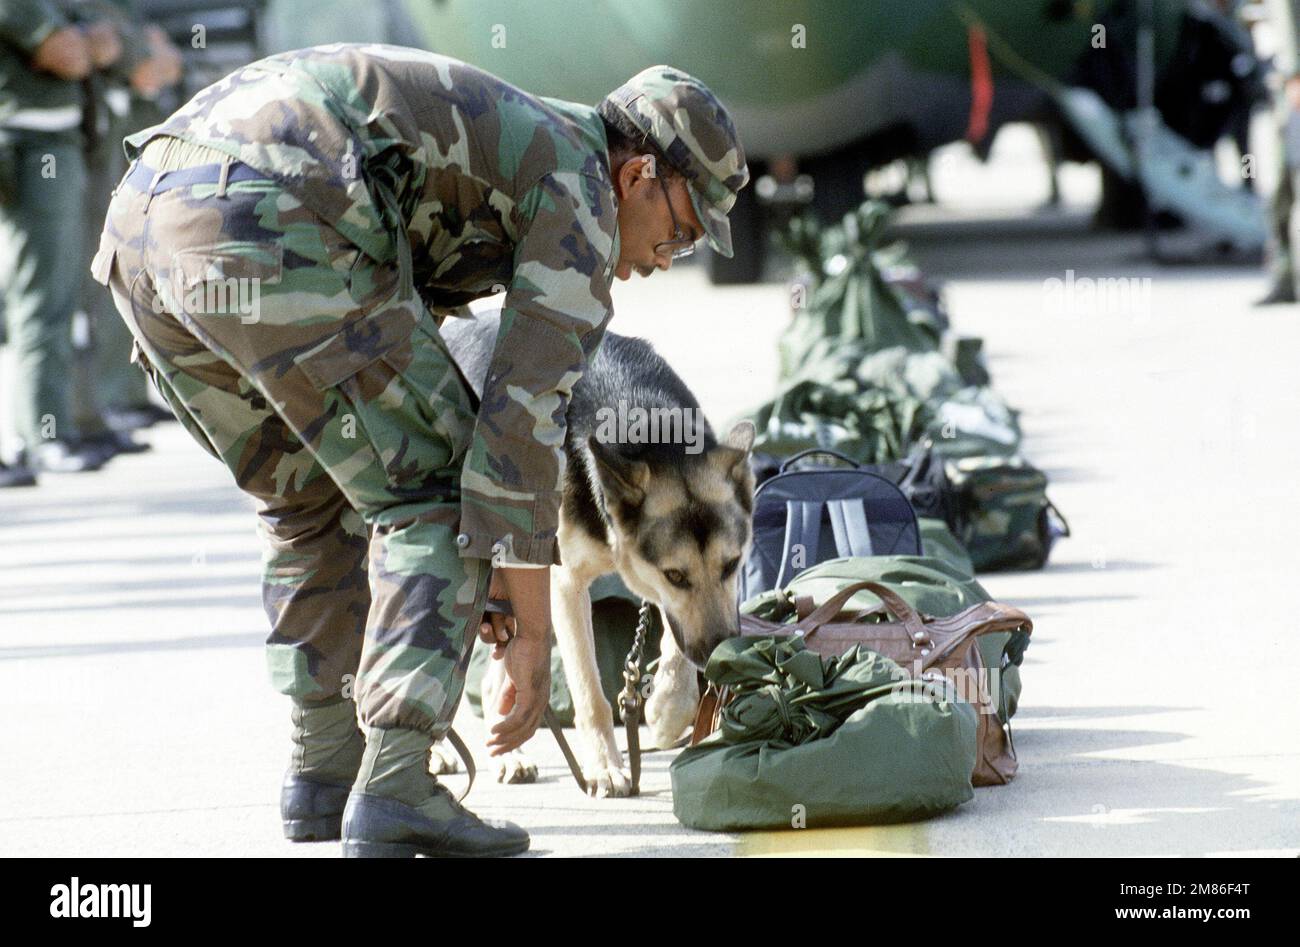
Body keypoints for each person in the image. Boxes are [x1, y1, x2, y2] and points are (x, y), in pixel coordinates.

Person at [90, 43, 748, 857]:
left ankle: (323, 769)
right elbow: (519, 432)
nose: (664, 258)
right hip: (268, 217)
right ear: (638, 176)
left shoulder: (522, 140)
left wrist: (491, 594)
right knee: (439, 485)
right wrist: (532, 641)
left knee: (307, 495)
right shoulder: (579, 192)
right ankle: (398, 780)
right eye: (681, 230)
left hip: (148, 227)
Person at [0, 0, 121, 484]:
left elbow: (106, 46)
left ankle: (50, 431)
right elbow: (71, 55)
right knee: (42, 296)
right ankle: (42, 436)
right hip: (29, 145)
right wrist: (78, 42)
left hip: (48, 143)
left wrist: (81, 42)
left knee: (52, 294)